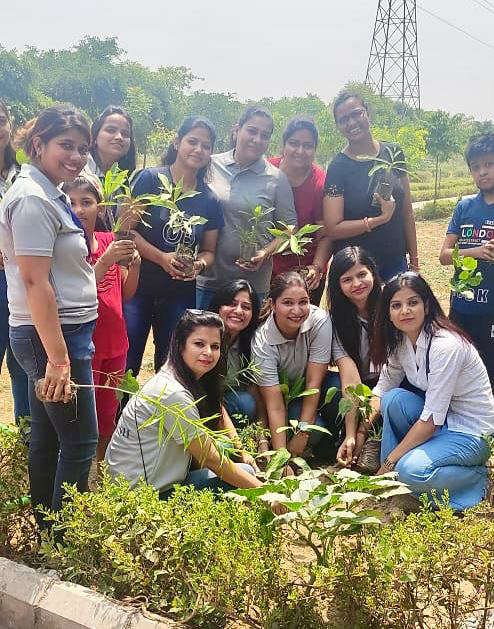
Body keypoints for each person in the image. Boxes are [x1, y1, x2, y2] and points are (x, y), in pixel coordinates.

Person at [0, 105, 98, 528]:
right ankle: (65, 541)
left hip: (53, 336)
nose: (75, 156)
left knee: (47, 436)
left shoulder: (47, 191)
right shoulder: (33, 199)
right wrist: (59, 360)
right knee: (79, 442)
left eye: (82, 148)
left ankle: (46, 531)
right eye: (66, 145)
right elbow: (36, 283)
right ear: (38, 144)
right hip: (52, 340)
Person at [367, 272, 494, 511]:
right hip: (444, 422)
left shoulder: (445, 345)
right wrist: (356, 434)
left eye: (413, 302)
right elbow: (382, 391)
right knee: (394, 400)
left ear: (426, 306)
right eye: (396, 305)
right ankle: (403, 478)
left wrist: (388, 462)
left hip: (471, 432)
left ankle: (478, 481)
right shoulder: (401, 341)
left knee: (409, 471)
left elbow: (430, 421)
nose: (405, 310)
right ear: (388, 313)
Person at [105, 310, 261, 497]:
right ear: (180, 345)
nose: (208, 353)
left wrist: (240, 451)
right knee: (245, 473)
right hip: (143, 498)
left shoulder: (181, 374)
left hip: (145, 485)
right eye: (199, 344)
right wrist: (264, 491)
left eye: (215, 346)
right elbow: (210, 458)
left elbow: (218, 410)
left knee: (237, 467)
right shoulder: (173, 393)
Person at [125, 116, 224, 376]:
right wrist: (161, 257)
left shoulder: (210, 200)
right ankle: (120, 415)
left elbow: (209, 251)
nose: (198, 149)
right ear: (177, 142)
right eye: (192, 141)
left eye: (206, 145)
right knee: (127, 359)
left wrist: (199, 265)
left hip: (179, 292)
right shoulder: (150, 180)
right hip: (138, 287)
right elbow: (126, 231)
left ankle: (164, 415)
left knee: (172, 363)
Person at [63, 173, 141, 465]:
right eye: (71, 202)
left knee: (108, 411)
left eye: (86, 202)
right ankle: (79, 471)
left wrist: (135, 266)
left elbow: (126, 294)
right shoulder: (66, 249)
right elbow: (79, 295)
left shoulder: (110, 240)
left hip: (115, 342)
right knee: (83, 413)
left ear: (101, 207)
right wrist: (106, 260)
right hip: (84, 345)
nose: (79, 209)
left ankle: (101, 467)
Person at [196, 105, 296, 309]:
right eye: (251, 131)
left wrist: (265, 252)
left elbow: (289, 227)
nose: (257, 139)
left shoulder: (276, 178)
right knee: (203, 338)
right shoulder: (210, 165)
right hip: (208, 279)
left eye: (265, 135)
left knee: (244, 341)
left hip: (251, 286)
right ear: (237, 129)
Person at [324, 91, 419, 282]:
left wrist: (414, 263)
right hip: (355, 270)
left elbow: (407, 212)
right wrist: (379, 220)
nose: (351, 123)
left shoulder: (393, 153)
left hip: (395, 263)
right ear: (338, 126)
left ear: (368, 113)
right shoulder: (338, 167)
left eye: (356, 114)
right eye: (343, 120)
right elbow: (333, 228)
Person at [251, 272, 334, 462]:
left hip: (305, 390)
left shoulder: (319, 320)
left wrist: (301, 435)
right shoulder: (262, 340)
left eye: (303, 302)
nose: (297, 310)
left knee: (315, 429)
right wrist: (282, 457)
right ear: (272, 305)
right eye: (287, 303)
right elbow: (274, 405)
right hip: (278, 398)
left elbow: (314, 383)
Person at [439, 132, 494, 387]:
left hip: (490, 310)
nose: (483, 171)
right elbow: (444, 256)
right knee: (460, 366)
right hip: (462, 306)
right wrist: (476, 252)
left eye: (489, 164)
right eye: (476, 167)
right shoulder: (464, 207)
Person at [327, 246, 382, 467]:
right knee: (331, 393)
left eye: (362, 275)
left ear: (373, 274)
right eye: (347, 279)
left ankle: (372, 440)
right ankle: (348, 440)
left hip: (393, 383)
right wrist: (351, 433)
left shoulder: (392, 306)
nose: (357, 284)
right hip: (362, 384)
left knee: (395, 402)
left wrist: (361, 431)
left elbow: (392, 378)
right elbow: (350, 380)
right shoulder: (336, 320)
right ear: (337, 285)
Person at [269, 116, 330, 305]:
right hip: (267, 267)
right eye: (294, 143)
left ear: (314, 149)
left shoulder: (320, 182)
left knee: (304, 326)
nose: (300, 151)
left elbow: (325, 234)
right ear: (284, 145)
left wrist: (317, 267)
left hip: (306, 272)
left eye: (308, 145)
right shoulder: (266, 171)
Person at [0, 100, 29, 424]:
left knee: (22, 364)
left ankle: (25, 435)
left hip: (22, 280)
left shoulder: (22, 174)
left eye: (1, 120)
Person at [209, 279, 261, 425]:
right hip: (199, 403)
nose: (238, 311)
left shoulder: (251, 343)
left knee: (246, 402)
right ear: (218, 306)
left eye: (246, 307)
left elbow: (254, 391)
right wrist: (237, 444)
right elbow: (208, 397)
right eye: (231, 304)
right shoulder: (203, 338)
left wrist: (261, 437)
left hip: (226, 402)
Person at [85, 105, 137, 230]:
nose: (119, 137)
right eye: (110, 130)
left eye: (125, 133)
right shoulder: (80, 171)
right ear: (95, 136)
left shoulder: (123, 182)